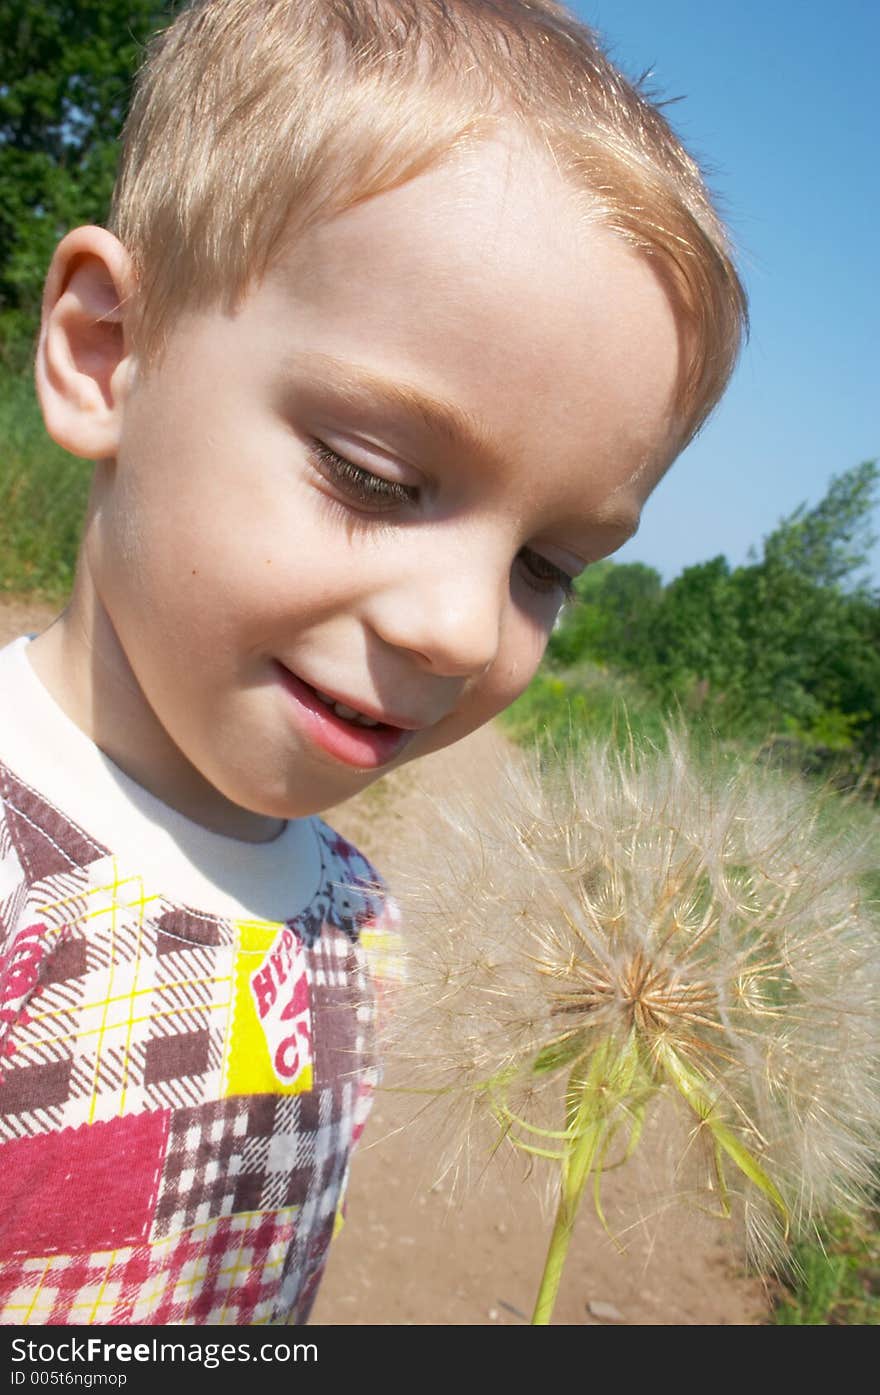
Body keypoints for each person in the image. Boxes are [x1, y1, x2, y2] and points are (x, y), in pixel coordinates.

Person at [0, 0, 747, 1326]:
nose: (463, 631)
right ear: (106, 354)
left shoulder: (362, 922)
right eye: (376, 476)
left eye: (548, 568)